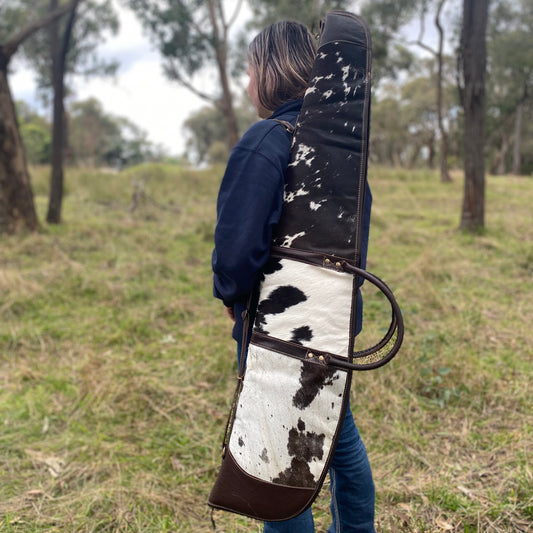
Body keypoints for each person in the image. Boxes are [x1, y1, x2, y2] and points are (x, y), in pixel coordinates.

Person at [212, 20, 375, 533]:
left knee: (279, 456)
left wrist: (232, 298)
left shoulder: (267, 139)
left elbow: (237, 253)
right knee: (339, 434)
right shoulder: (341, 157)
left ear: (268, 70)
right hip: (334, 325)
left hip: (276, 330)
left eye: (248, 70)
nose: (245, 84)